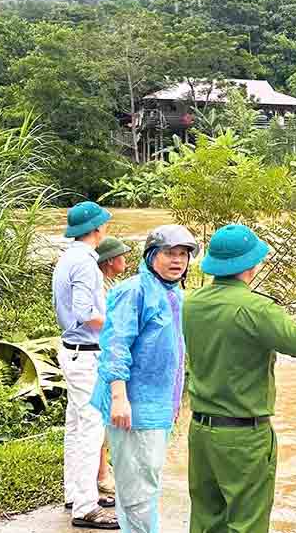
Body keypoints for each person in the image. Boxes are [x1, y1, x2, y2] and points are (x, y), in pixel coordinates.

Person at [183, 224, 296, 533]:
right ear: (250, 264)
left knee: (205, 520)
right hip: (243, 436)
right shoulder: (257, 308)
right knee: (248, 523)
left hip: (201, 431)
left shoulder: (192, 303)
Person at [90, 225, 199, 533]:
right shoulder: (134, 291)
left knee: (147, 479)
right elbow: (115, 345)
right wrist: (119, 397)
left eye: (183, 255)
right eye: (169, 253)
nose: (177, 260)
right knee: (137, 487)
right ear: (152, 256)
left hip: (159, 405)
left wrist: (175, 402)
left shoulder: (174, 293)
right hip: (132, 403)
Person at [53, 201, 118, 529]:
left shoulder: (70, 257)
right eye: (104, 223)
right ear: (96, 229)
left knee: (77, 426)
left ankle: (76, 492)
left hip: (73, 349)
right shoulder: (85, 263)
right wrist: (115, 327)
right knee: (91, 427)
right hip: (86, 352)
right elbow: (83, 313)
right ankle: (85, 507)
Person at [94, 236, 133, 499]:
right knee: (100, 420)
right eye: (121, 256)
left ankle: (104, 470)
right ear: (110, 262)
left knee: (104, 421)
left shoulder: (110, 284)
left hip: (105, 355)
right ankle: (101, 475)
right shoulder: (103, 288)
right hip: (102, 356)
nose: (125, 260)